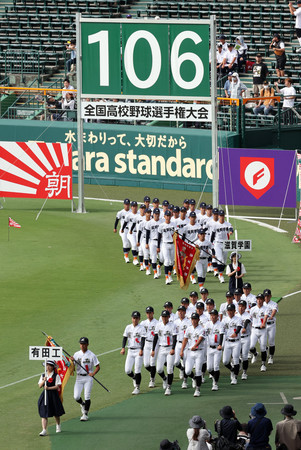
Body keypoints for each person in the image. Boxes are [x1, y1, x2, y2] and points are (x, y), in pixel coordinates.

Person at [71, 337, 100, 421]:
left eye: (84, 344)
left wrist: (93, 373)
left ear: (87, 344)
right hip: (79, 377)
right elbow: (72, 367)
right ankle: (82, 404)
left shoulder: (91, 355)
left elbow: (98, 366)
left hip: (88, 377)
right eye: (81, 344)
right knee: (76, 396)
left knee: (87, 395)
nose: (82, 346)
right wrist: (71, 360)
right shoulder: (76, 354)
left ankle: (85, 414)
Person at [151, 310, 177, 396]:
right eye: (163, 317)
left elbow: (174, 338)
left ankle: (169, 387)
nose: (164, 318)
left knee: (169, 369)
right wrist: (153, 350)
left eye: (166, 316)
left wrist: (173, 348)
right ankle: (164, 378)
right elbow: (155, 338)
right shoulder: (158, 325)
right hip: (161, 348)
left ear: (169, 317)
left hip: (170, 348)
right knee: (159, 369)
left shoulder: (173, 325)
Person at [180, 312, 206, 397]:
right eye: (193, 319)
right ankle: (194, 378)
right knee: (187, 371)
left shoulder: (202, 329)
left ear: (198, 320)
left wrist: (195, 346)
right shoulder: (189, 329)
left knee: (198, 371)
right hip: (190, 352)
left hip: (199, 351)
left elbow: (200, 339)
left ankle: (197, 390)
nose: (194, 321)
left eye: (195, 319)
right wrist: (181, 350)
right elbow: (185, 339)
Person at [121, 311, 146, 395]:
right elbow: (124, 338)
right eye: (134, 318)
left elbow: (143, 340)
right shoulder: (128, 327)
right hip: (130, 351)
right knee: (127, 370)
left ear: (139, 319)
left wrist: (142, 349)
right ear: (132, 318)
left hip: (138, 350)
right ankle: (134, 378)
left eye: (136, 318)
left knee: (137, 369)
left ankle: (137, 387)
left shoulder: (142, 328)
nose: (135, 320)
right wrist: (123, 348)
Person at [38, 360, 65, 436]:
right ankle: (44, 430)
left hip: (53, 395)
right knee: (44, 412)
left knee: (56, 412)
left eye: (50, 365)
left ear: (53, 367)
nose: (48, 367)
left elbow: (57, 386)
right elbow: (40, 386)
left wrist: (49, 388)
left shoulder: (56, 376)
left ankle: (58, 425)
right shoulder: (43, 375)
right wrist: (44, 381)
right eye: (47, 365)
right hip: (45, 395)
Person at [221, 303, 242, 385]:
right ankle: (232, 369)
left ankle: (235, 377)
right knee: (225, 361)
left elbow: (239, 327)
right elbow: (221, 330)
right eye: (228, 310)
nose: (229, 312)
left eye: (231, 310)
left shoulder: (238, 319)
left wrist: (236, 333)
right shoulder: (224, 320)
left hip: (236, 342)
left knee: (235, 359)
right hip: (227, 342)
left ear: (234, 311)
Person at [210, 209, 233, 283]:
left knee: (224, 260)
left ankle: (219, 271)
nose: (222, 217)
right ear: (218, 216)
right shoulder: (215, 225)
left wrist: (231, 231)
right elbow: (212, 235)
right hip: (218, 243)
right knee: (220, 259)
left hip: (226, 243)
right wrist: (211, 244)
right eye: (220, 215)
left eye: (223, 215)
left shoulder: (227, 224)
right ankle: (221, 275)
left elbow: (231, 228)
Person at [249, 294, 269, 372]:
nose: (259, 300)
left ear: (263, 300)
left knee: (263, 348)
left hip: (263, 330)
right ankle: (255, 354)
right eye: (258, 299)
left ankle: (263, 364)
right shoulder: (253, 309)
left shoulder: (266, 309)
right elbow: (250, 319)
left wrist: (264, 323)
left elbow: (266, 316)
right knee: (251, 347)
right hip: (254, 330)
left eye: (261, 299)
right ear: (256, 300)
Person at [205, 309, 224, 391]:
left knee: (216, 366)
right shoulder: (207, 324)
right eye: (211, 315)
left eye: (214, 315)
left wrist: (220, 345)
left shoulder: (220, 324)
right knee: (209, 368)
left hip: (217, 348)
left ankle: (215, 383)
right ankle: (215, 377)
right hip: (209, 348)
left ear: (217, 316)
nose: (212, 317)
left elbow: (222, 335)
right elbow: (204, 334)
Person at [157, 210, 177, 285]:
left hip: (172, 244)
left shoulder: (174, 224)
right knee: (167, 261)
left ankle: (169, 274)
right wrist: (158, 247)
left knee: (172, 261)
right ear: (164, 216)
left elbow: (176, 235)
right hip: (165, 244)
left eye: (169, 216)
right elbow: (159, 237)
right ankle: (166, 278)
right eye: (167, 216)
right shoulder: (161, 226)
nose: (168, 217)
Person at [141, 306, 158, 387]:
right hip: (146, 344)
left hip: (154, 344)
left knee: (152, 362)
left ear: (153, 313)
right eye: (147, 313)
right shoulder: (143, 323)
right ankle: (153, 372)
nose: (149, 314)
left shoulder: (157, 323)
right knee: (146, 364)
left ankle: (152, 379)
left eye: (150, 312)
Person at [237, 299, 252, 380]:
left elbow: (247, 321)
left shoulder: (248, 315)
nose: (241, 308)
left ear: (245, 307)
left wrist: (244, 327)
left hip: (246, 338)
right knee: (237, 355)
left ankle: (244, 373)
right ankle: (238, 363)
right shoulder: (235, 315)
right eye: (239, 306)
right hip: (238, 338)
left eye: (242, 306)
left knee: (245, 356)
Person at [113, 198, 131, 263]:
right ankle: (126, 257)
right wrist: (115, 228)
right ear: (124, 205)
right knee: (125, 243)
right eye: (126, 204)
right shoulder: (120, 212)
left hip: (130, 230)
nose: (127, 205)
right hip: (123, 230)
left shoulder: (131, 212)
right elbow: (117, 220)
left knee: (130, 245)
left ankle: (126, 254)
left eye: (128, 204)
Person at [263, 288, 278, 364]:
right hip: (263, 326)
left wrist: (271, 316)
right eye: (265, 296)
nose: (266, 297)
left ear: (270, 296)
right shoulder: (260, 304)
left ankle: (271, 357)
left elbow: (274, 310)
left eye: (268, 296)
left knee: (271, 341)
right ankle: (265, 351)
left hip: (271, 325)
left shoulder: (274, 303)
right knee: (263, 342)